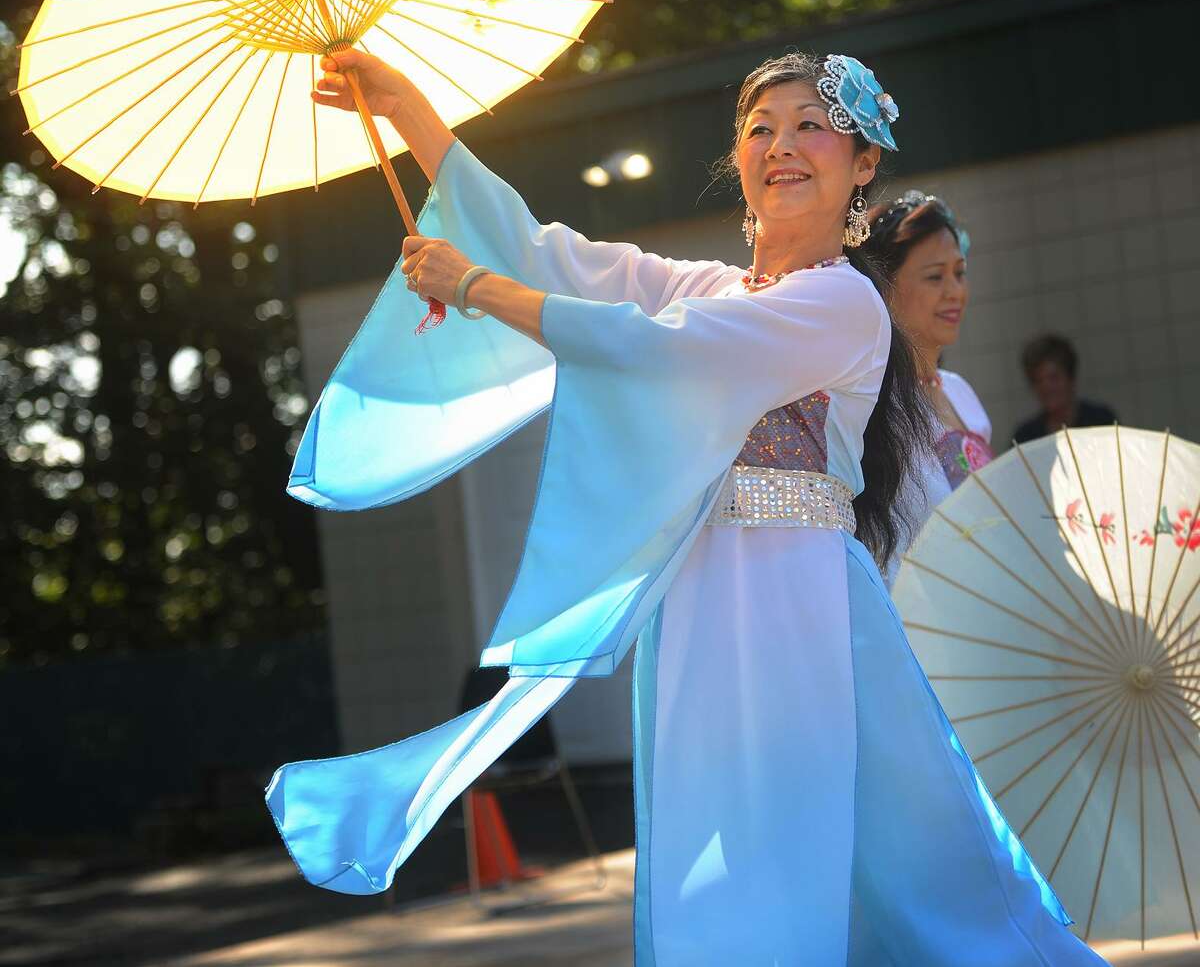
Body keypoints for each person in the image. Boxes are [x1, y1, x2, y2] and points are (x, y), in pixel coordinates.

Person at [265, 49, 1108, 965]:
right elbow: (554, 257)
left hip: (801, 609)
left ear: (863, 165)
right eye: (760, 130)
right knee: (711, 847)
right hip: (700, 601)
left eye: (810, 126)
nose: (781, 146)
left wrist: (474, 287)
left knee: (829, 857)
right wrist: (408, 113)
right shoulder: (704, 283)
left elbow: (667, 350)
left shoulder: (844, 303)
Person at [861, 191, 991, 587]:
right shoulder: (871, 406)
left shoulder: (961, 393)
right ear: (884, 288)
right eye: (935, 277)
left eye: (960, 272)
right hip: (910, 612)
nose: (955, 291)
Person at [1013, 333, 1118, 444]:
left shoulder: (1101, 422)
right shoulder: (1026, 437)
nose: (1046, 387)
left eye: (1053, 378)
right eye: (1038, 381)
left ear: (1071, 378)